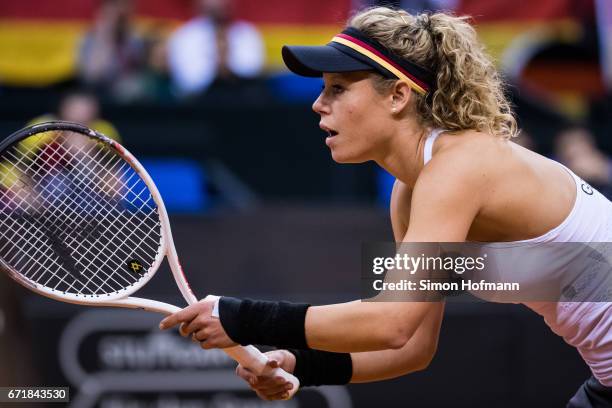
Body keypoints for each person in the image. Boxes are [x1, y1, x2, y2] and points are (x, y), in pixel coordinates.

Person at [159, 7, 612, 406]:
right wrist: (300, 364)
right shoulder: (410, 190)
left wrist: (241, 318)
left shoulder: (460, 166)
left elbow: (391, 322)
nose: (318, 105)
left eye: (338, 88)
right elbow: (412, 346)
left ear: (398, 95)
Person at [167, 0, 265, 97]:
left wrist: (228, 64)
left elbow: (253, 70)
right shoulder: (186, 35)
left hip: (242, 98)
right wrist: (215, 67)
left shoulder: (247, 32)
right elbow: (186, 81)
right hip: (199, 102)